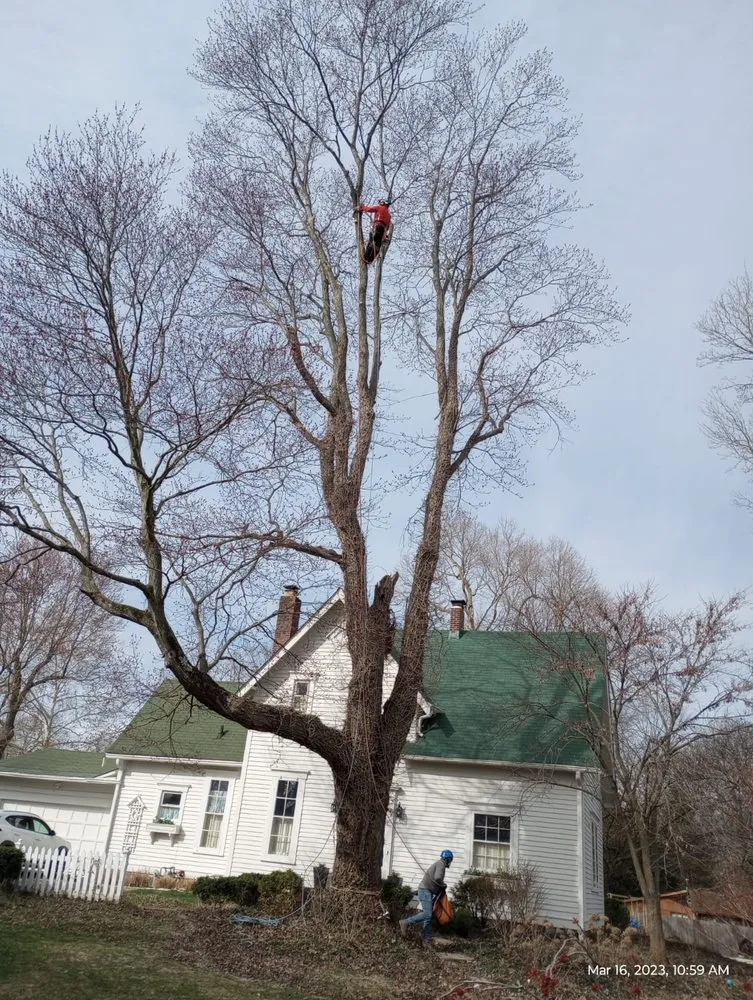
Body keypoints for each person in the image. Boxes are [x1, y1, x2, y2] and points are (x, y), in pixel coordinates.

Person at [399, 849, 453, 945]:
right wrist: (443, 884)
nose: (450, 862)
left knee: (428, 917)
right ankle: (405, 922)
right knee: (427, 914)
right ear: (448, 859)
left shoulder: (439, 863)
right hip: (425, 891)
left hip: (428, 891)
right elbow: (437, 877)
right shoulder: (441, 864)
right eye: (450, 860)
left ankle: (426, 941)